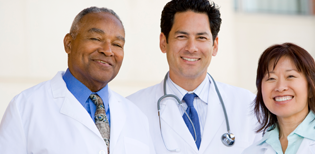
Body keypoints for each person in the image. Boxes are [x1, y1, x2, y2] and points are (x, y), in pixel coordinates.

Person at [0, 7, 155, 154]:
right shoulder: (25, 108)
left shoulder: (137, 117)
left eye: (117, 44)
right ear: (69, 43)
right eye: (96, 38)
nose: (108, 50)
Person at [126, 0, 260, 153]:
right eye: (182, 36)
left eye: (201, 38)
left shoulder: (249, 107)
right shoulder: (132, 109)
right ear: (163, 42)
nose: (191, 48)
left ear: (215, 46)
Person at [243, 43, 315, 154]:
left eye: (290, 76)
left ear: (311, 88)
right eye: (271, 78)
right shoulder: (252, 151)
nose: (280, 87)